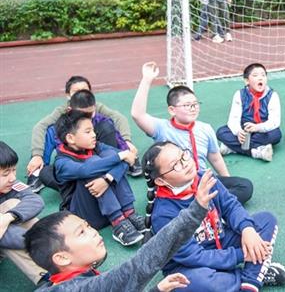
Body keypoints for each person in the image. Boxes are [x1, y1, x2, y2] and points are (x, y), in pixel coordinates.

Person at [24, 168, 221, 291]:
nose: (93, 231)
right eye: (81, 232)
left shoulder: (76, 279)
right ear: (62, 258)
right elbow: (139, 266)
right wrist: (196, 210)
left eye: (87, 226)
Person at [143, 141, 285, 291]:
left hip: (221, 240)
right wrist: (242, 255)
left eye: (184, 155)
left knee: (266, 220)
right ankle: (255, 273)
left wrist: (247, 229)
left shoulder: (204, 178)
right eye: (176, 165)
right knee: (198, 282)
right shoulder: (163, 215)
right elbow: (196, 257)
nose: (185, 163)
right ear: (160, 180)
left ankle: (249, 282)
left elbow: (230, 206)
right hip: (190, 266)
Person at [131, 61, 253, 204]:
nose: (193, 108)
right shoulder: (162, 128)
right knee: (178, 201)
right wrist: (146, 80)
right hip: (179, 183)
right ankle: (209, 206)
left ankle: (211, 204)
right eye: (187, 105)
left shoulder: (204, 128)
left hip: (201, 179)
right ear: (172, 110)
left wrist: (226, 182)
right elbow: (137, 114)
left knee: (245, 186)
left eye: (195, 104)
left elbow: (215, 158)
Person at [27, 75, 141, 193]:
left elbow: (118, 118)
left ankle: (110, 168)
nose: (81, 93)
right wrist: (37, 155)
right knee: (50, 132)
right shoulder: (63, 112)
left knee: (108, 128)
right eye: (76, 91)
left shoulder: (97, 112)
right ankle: (38, 168)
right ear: (68, 96)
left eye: (85, 90)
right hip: (75, 157)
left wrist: (126, 142)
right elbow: (40, 126)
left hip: (95, 155)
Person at [53, 110, 143, 246]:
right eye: (88, 132)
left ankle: (129, 213)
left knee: (108, 155)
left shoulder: (96, 146)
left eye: (93, 130)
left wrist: (108, 178)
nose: (94, 135)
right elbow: (86, 170)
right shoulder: (61, 162)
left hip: (106, 207)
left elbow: (128, 159)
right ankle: (118, 223)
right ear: (70, 138)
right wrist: (121, 156)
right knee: (93, 163)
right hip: (85, 215)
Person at [0, 141, 46, 285]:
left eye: (14, 170)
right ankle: (50, 266)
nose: (13, 177)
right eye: (5, 173)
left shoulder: (12, 185)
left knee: (14, 206)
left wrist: (8, 217)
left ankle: (53, 270)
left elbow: (35, 200)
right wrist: (42, 242)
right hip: (6, 238)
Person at [216, 63, 282, 163]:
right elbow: (233, 119)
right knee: (221, 132)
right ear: (247, 80)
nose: (260, 78)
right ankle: (257, 152)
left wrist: (258, 127)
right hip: (244, 130)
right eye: (255, 76)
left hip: (262, 130)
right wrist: (238, 132)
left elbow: (274, 121)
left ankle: (231, 148)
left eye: (263, 75)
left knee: (276, 134)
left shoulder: (273, 95)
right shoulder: (240, 94)